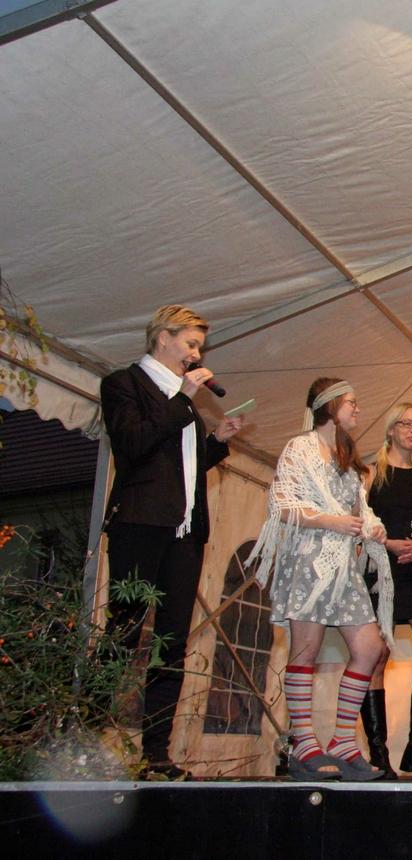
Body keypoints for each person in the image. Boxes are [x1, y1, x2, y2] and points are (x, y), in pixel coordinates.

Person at [101, 304, 245, 778]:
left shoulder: (183, 401)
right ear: (163, 337)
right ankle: (84, 735)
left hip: (184, 532)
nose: (196, 354)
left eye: (199, 346)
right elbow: (133, 445)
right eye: (191, 344)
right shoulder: (125, 384)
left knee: (171, 643)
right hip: (140, 524)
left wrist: (215, 441)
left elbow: (179, 470)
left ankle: (156, 754)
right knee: (124, 632)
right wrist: (182, 398)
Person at [248, 378, 391, 781]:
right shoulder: (300, 448)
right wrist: (331, 521)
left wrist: (372, 526)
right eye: (351, 402)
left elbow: (359, 509)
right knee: (305, 650)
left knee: (370, 647)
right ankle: (304, 743)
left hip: (344, 566)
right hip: (309, 561)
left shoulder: (348, 458)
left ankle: (343, 740)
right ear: (329, 406)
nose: (357, 409)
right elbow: (282, 505)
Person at [360, 403, 412, 778]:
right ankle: (379, 754)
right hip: (381, 572)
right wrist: (390, 545)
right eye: (406, 423)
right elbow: (357, 526)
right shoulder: (370, 475)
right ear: (391, 429)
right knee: (375, 658)